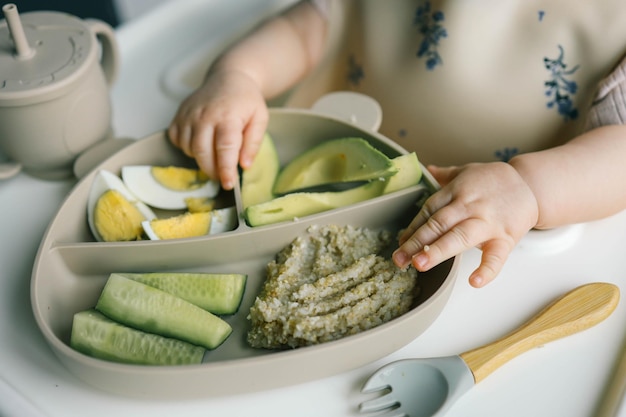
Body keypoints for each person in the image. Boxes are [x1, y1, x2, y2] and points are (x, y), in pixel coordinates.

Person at [168, 0, 626, 288]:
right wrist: (239, 76)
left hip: (486, 239)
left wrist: (528, 189)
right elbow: (319, 24)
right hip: (341, 173)